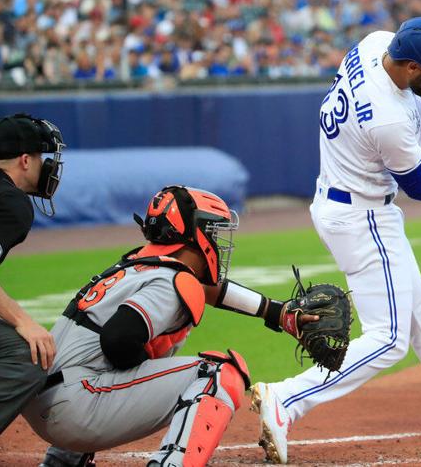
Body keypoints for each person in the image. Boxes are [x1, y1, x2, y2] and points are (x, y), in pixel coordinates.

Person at [250, 17, 421, 464]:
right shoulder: (387, 120)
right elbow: (420, 188)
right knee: (389, 339)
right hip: (362, 216)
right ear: (412, 68)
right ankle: (286, 398)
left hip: (346, 200)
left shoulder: (379, 44)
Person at [23, 185, 325, 467]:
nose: (218, 242)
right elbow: (118, 340)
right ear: (195, 234)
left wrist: (274, 311)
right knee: (218, 374)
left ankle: (62, 460)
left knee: (112, 360)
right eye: (213, 231)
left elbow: (206, 289)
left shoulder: (137, 265)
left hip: (44, 401)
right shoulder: (172, 281)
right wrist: (143, 370)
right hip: (77, 409)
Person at [0, 113, 64, 435]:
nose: (47, 166)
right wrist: (24, 320)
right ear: (25, 160)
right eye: (41, 157)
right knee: (28, 355)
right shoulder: (10, 202)